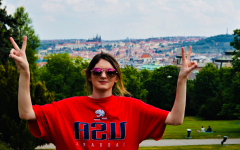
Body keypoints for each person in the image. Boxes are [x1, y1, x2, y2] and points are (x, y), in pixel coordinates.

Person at [9, 36, 198, 150]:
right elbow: (26, 113)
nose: (104, 75)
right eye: (97, 72)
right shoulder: (67, 107)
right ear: (90, 77)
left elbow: (176, 118)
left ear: (116, 78)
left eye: (110, 72)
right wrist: (25, 73)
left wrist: (181, 80)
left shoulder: (133, 108)